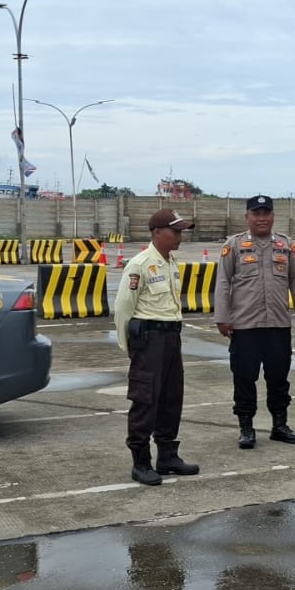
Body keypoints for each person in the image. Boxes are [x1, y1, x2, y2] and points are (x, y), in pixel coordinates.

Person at [213, 194, 295, 448]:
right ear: (247, 217)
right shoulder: (234, 245)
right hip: (245, 327)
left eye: (266, 213)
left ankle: (280, 426)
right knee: (244, 379)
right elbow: (222, 282)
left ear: (273, 216)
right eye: (256, 213)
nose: (262, 218)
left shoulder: (285, 245)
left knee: (279, 379)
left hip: (278, 325)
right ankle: (246, 429)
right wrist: (222, 317)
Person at [113, 208, 201, 486]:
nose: (179, 236)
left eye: (181, 231)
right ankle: (140, 462)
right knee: (145, 399)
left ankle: (167, 456)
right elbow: (123, 308)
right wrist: (129, 346)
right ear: (157, 232)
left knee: (171, 398)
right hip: (149, 339)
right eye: (175, 231)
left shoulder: (170, 262)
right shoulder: (140, 264)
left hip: (171, 337)